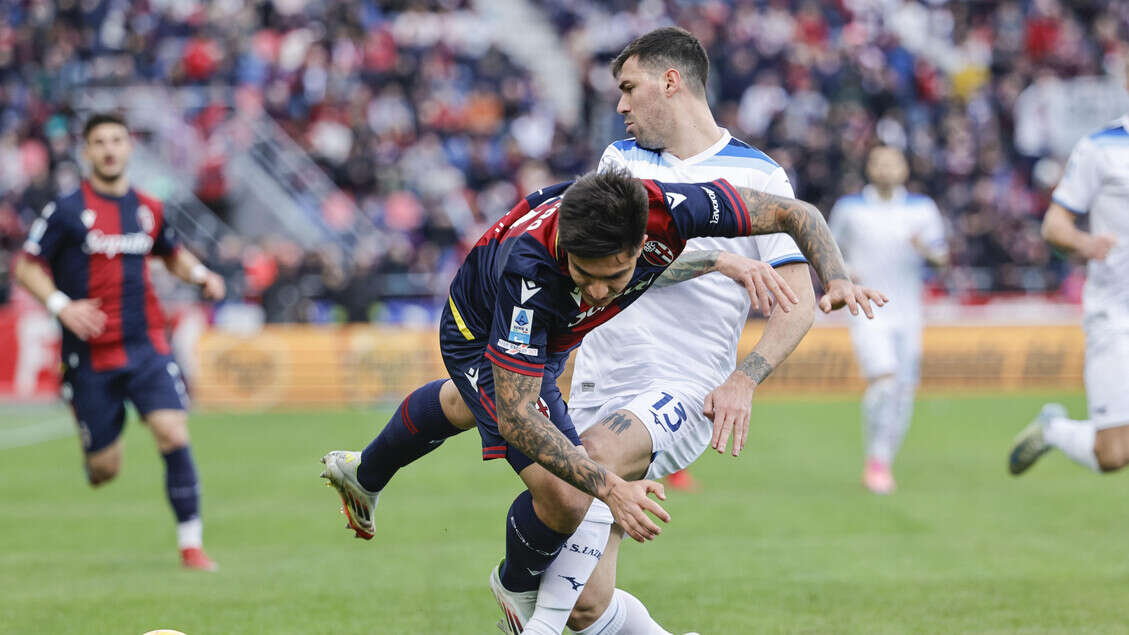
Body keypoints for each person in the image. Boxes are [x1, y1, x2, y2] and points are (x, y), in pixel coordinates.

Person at [319, 168, 882, 619]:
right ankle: (516, 588)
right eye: (585, 275)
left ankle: (364, 471)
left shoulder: (671, 208)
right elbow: (517, 417)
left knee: (471, 406)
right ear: (564, 245)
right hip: (479, 332)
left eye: (613, 277)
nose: (599, 290)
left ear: (640, 238)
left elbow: (794, 212)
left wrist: (832, 275)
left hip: (554, 329)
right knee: (568, 493)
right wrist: (611, 487)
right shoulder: (529, 274)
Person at [505, 27, 819, 635]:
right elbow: (621, 269)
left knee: (591, 458)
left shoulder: (759, 178)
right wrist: (718, 258)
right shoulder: (619, 162)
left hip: (681, 386)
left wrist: (743, 380)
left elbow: (798, 303)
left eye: (628, 88)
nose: (619, 105)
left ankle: (528, 623)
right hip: (600, 385)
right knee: (587, 607)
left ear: (669, 82)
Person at [13, 112, 226, 570]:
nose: (109, 149)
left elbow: (172, 255)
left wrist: (203, 276)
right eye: (99, 142)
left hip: (146, 345)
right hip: (89, 353)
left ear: (129, 147)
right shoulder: (67, 210)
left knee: (172, 431)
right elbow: (26, 265)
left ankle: (192, 546)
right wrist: (61, 306)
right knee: (104, 471)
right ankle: (98, 428)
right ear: (87, 152)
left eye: (117, 140)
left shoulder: (148, 207)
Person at [1008, 107, 1129, 476]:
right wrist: (1086, 243)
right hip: (1116, 314)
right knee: (1112, 455)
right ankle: (1053, 430)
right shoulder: (1101, 147)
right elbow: (1054, 225)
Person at [828, 146, 948, 495]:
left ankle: (883, 459)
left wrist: (925, 249)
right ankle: (876, 461)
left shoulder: (922, 209)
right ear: (869, 167)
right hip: (868, 312)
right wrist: (845, 274)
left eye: (892, 162)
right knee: (884, 381)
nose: (886, 168)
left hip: (909, 314)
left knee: (902, 393)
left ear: (904, 168)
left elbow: (942, 257)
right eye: (879, 162)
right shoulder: (850, 209)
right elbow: (830, 252)